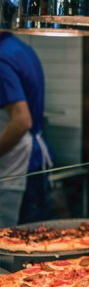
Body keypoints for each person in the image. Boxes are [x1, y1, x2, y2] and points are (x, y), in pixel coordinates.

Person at [0, 32, 53, 226]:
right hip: (33, 161)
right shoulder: (19, 48)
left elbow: (21, 121)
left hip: (17, 166)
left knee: (16, 244)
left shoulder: (2, 57)